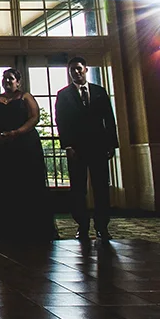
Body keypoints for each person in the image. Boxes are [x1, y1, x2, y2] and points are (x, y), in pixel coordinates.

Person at [0, 68, 55, 243]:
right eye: (4, 78)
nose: (7, 81)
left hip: (25, 146)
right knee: (3, 186)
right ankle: (4, 228)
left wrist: (17, 132)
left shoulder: (25, 97)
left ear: (18, 81)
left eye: (10, 78)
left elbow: (34, 118)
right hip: (1, 147)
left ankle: (30, 227)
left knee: (26, 184)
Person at [55, 57, 118, 241]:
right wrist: (67, 146)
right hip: (76, 148)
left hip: (99, 146)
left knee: (101, 188)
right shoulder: (63, 94)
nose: (76, 72)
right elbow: (61, 121)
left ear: (85, 69)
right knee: (78, 189)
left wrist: (112, 144)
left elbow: (109, 119)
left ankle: (102, 227)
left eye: (78, 68)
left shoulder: (99, 91)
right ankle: (82, 226)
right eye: (72, 70)